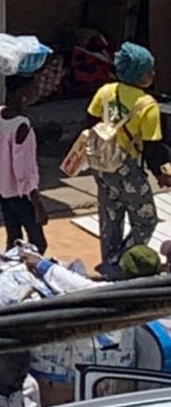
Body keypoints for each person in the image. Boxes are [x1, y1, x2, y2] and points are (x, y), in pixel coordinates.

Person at [87, 42, 171, 277]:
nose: (153, 74)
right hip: (128, 169)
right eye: (149, 71)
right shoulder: (147, 105)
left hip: (102, 165)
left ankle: (108, 261)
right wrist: (161, 174)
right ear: (138, 74)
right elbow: (153, 148)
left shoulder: (105, 91)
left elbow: (90, 122)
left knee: (110, 216)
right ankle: (122, 260)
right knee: (146, 219)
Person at [0, 72, 47, 254]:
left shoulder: (0, 113)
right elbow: (23, 170)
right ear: (22, 94)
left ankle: (11, 270)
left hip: (1, 189)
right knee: (38, 243)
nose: (37, 92)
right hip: (20, 194)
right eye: (33, 89)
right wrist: (37, 203)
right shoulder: (22, 125)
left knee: (13, 236)